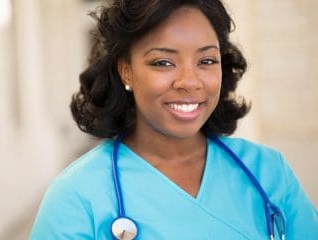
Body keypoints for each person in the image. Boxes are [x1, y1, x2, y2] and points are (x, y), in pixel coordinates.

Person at [30, 0, 318, 239]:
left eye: (206, 61)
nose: (189, 82)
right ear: (126, 71)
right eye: (163, 62)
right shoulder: (77, 197)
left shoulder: (268, 172)